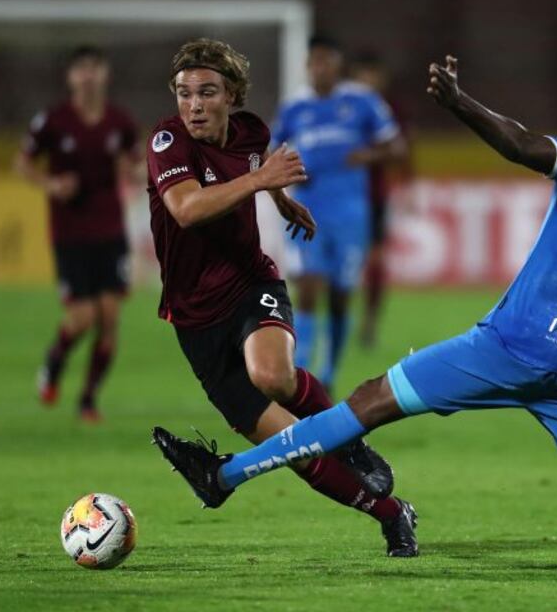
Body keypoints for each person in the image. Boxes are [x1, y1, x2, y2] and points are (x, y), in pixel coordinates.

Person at [154, 55, 557, 577]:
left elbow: (524, 146)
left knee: (367, 401)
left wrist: (458, 103)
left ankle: (225, 476)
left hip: (510, 347)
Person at [145, 38, 417, 557]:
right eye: (184, 94)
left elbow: (257, 159)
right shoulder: (168, 143)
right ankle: (393, 513)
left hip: (251, 284)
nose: (194, 105)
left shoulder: (253, 132)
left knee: (272, 374)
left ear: (232, 97)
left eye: (207, 93)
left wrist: (280, 197)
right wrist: (261, 181)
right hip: (194, 317)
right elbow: (185, 210)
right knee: (292, 449)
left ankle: (353, 442)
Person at [269, 35, 407, 389]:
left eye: (327, 60)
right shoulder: (293, 109)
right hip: (307, 209)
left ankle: (327, 373)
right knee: (309, 285)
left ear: (338, 64)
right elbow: (270, 154)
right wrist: (285, 177)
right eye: (314, 61)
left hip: (351, 214)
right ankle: (300, 373)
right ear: (306, 65)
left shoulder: (362, 102)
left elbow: (396, 146)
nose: (321, 68)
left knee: (341, 295)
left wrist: (367, 156)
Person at [16, 45, 141, 422]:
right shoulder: (54, 120)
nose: (88, 75)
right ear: (71, 77)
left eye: (94, 68)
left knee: (109, 317)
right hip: (70, 232)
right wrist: (52, 184)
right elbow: (22, 163)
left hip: (110, 230)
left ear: (105, 74)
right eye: (81, 69)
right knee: (83, 317)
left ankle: (88, 400)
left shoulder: (119, 121)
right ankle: (54, 363)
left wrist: (135, 173)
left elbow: (138, 167)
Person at [351, 51, 414, 348]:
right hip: (339, 197)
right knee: (332, 266)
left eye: (373, 75)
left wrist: (407, 185)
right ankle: (331, 322)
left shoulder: (390, 109)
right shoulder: (344, 107)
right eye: (363, 75)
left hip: (374, 196)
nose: (369, 81)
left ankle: (370, 323)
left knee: (375, 260)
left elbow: (404, 149)